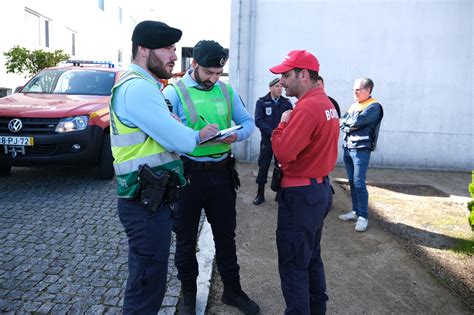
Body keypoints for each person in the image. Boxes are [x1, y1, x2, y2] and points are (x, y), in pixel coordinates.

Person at [110, 21, 217, 313]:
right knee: (147, 286)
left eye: (173, 48)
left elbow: (168, 132)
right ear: (143, 49)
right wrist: (194, 135)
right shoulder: (138, 89)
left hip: (150, 199)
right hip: (143, 202)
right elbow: (180, 139)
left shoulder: (146, 86)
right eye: (167, 48)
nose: (173, 55)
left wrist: (180, 130)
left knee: (146, 278)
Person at [163, 40, 259, 315]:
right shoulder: (173, 92)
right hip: (189, 175)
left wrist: (236, 134)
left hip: (221, 174)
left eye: (219, 73)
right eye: (208, 73)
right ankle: (189, 297)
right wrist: (191, 136)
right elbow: (164, 133)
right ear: (194, 65)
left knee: (226, 236)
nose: (214, 79)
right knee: (185, 239)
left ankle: (232, 290)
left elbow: (248, 123)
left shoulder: (226, 91)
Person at [269, 50, 339, 314]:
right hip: (317, 190)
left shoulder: (307, 107)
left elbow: (283, 152)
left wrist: (282, 125)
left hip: (301, 197)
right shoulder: (326, 103)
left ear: (304, 75)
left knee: (293, 265)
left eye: (286, 75)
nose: (282, 81)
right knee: (310, 258)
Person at [338, 78, 384, 232]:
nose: (355, 92)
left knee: (359, 182)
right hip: (348, 147)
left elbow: (359, 120)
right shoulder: (354, 105)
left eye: (358, 89)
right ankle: (355, 211)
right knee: (351, 181)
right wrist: (348, 124)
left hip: (360, 149)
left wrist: (348, 124)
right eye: (354, 89)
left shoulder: (374, 106)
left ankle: (363, 217)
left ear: (368, 89)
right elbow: (343, 121)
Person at [253, 78, 293, 205]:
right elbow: (258, 120)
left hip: (281, 141)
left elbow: (291, 120)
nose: (280, 89)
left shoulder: (286, 103)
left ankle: (279, 195)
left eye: (281, 86)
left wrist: (281, 135)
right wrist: (272, 133)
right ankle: (260, 194)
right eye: (277, 86)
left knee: (280, 167)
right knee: (263, 166)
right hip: (267, 140)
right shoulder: (262, 102)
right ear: (270, 88)